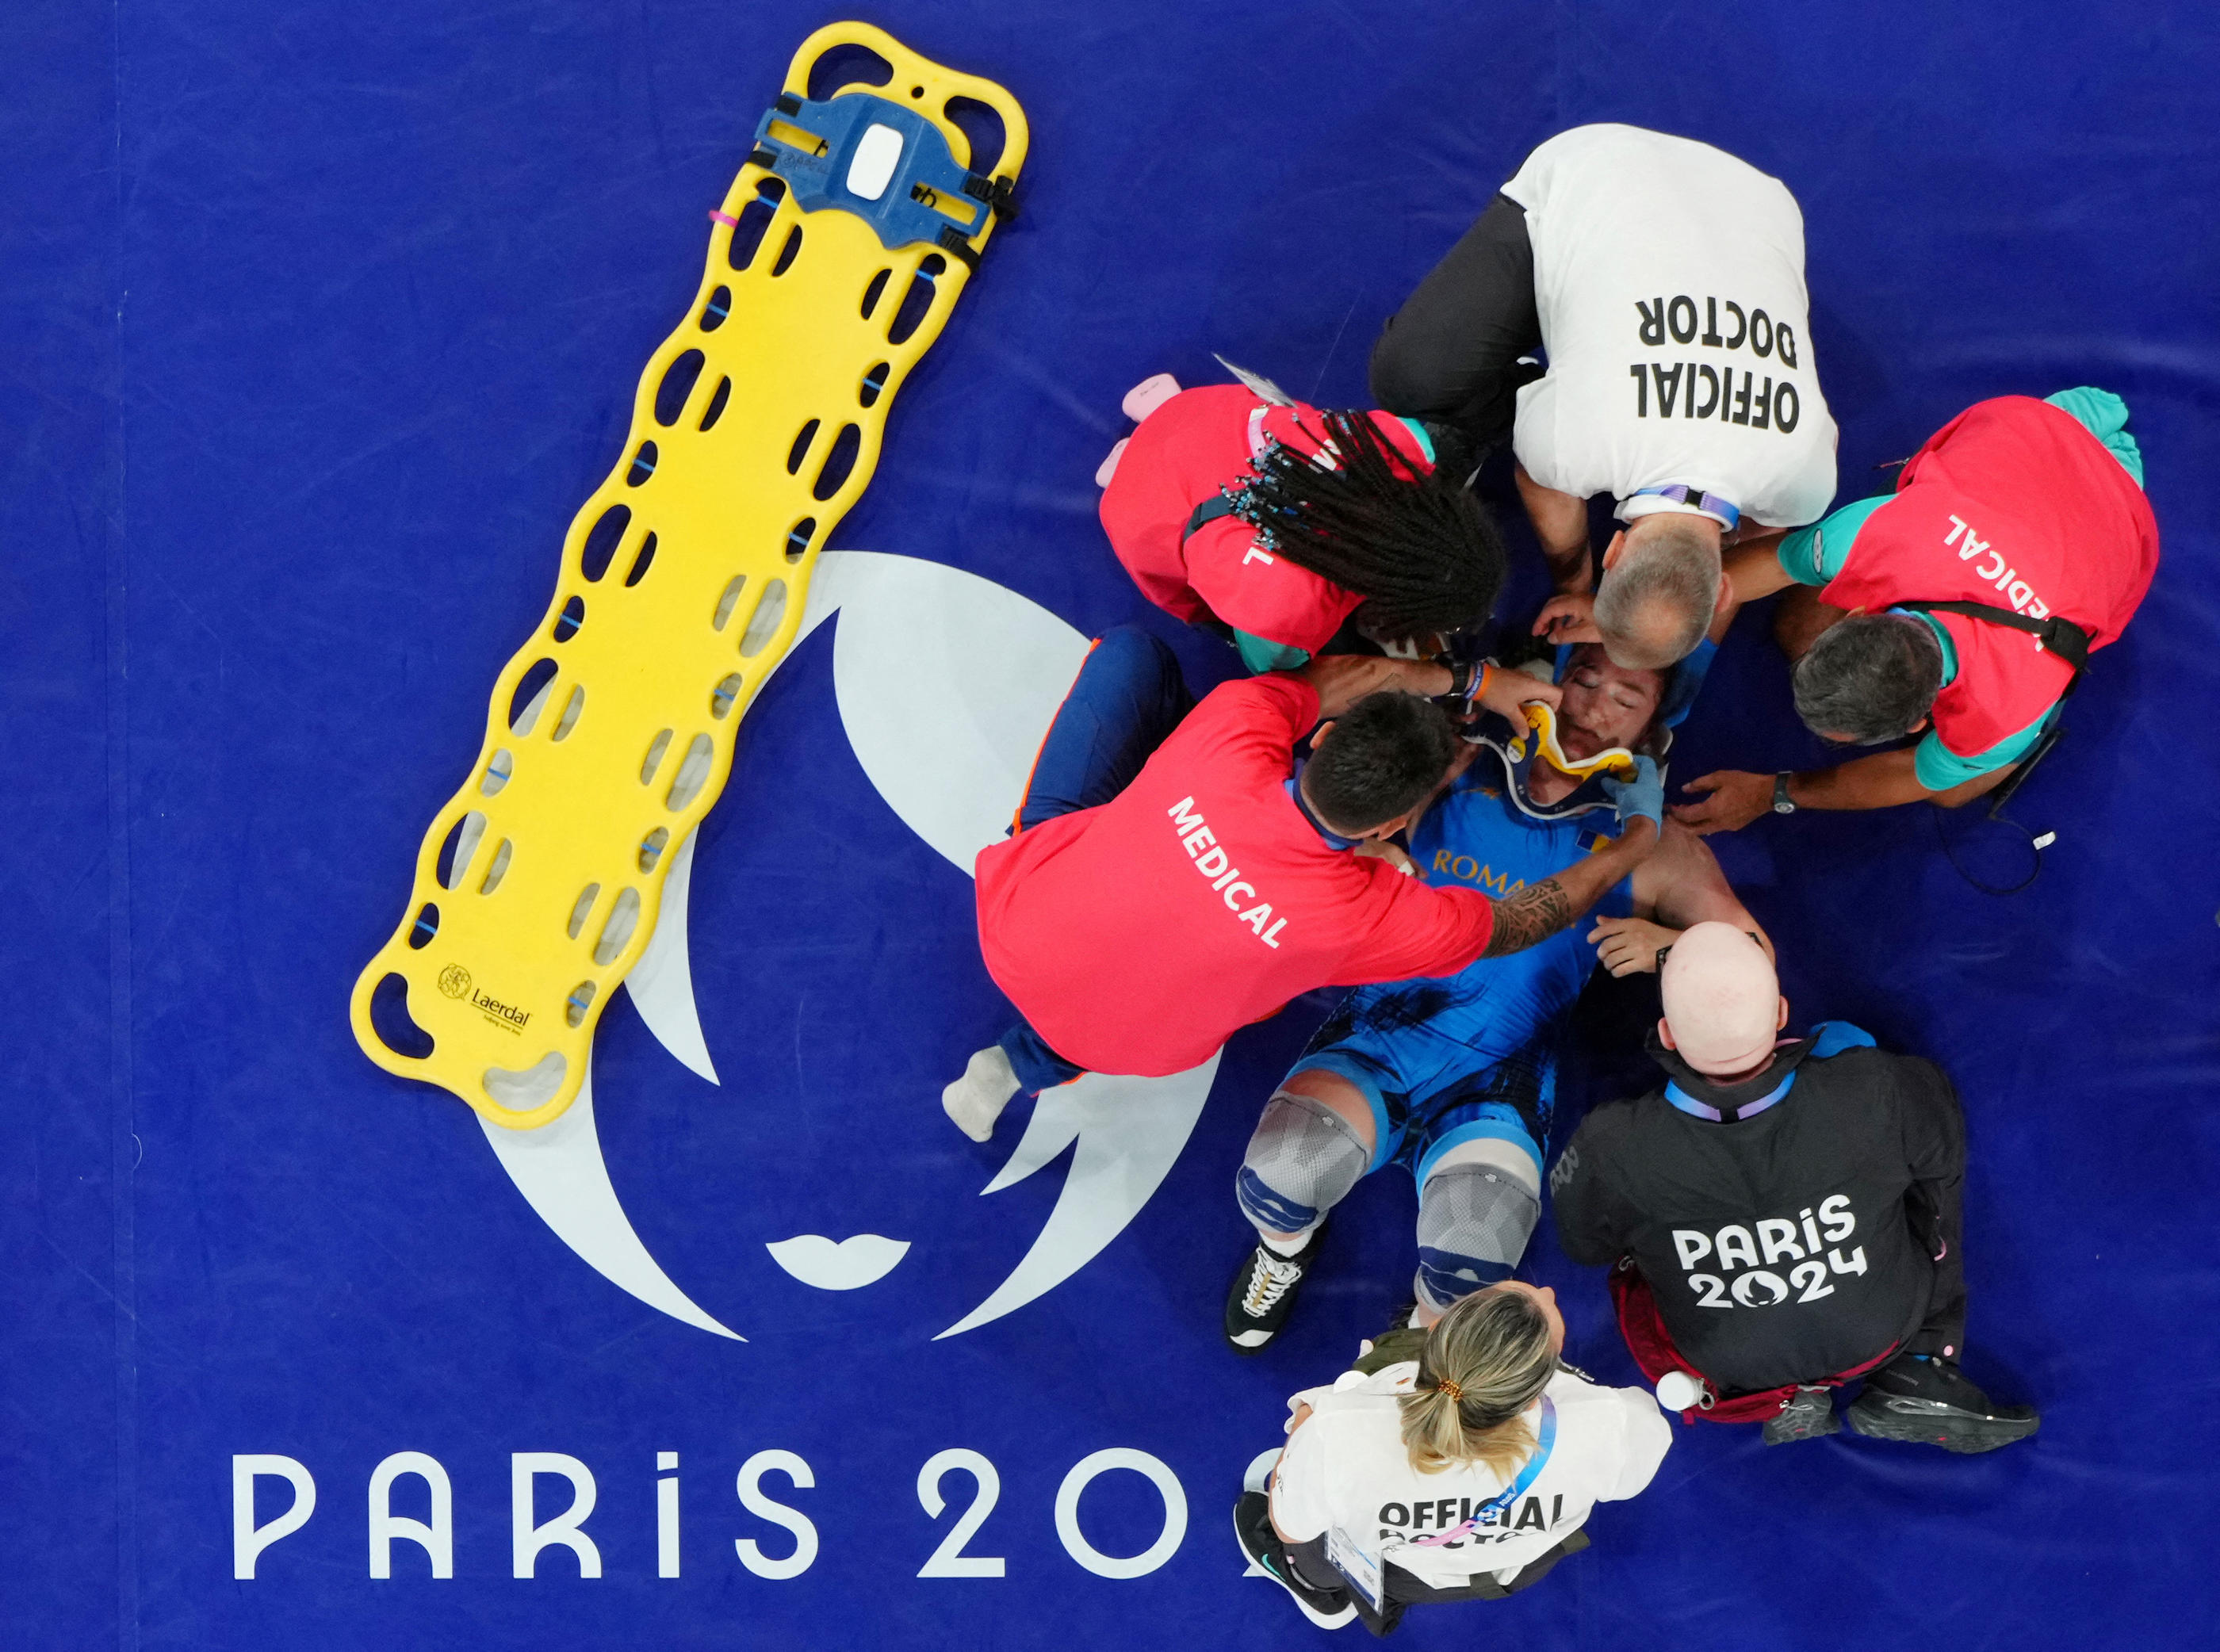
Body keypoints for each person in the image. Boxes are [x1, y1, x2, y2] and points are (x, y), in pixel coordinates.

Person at [1223, 642, 1765, 1352]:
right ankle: (1286, 1250)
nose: (1594, 706)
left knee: (1472, 1259)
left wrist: (1668, 947)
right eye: (1584, 679)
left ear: (1650, 734)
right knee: (1279, 1180)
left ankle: (1414, 1340)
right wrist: (1366, 855)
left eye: (1626, 700)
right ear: (1545, 686)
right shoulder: (1454, 763)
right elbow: (1326, 819)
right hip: (1379, 1041)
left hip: (1499, 1079)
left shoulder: (1655, 847)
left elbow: (1753, 955)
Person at [943, 627, 1663, 1141]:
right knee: (1164, 979)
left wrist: (1472, 680)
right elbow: (1525, 921)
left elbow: (1344, 681)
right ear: (1400, 821)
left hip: (1016, 924)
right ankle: (1017, 1066)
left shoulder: (1234, 726)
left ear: (1320, 738)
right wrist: (1638, 838)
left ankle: (1029, 1041)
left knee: (1133, 656)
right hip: (1128, 1045)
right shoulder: (1370, 915)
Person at [1551, 922, 2040, 1451]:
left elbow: (1585, 1247)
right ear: (1782, 1015)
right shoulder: (1873, 1088)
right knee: (1926, 1165)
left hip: (1725, 1367)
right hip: (1881, 1332)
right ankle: (1923, 1362)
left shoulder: (1608, 1141)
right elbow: (1941, 1143)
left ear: (1666, 1035)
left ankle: (1791, 1395)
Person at [1368, 123, 1839, 669]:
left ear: (1726, 591)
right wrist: (1576, 581)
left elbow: (1772, 518)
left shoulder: (1806, 486)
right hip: (1592, 167)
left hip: (1764, 202)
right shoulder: (1577, 448)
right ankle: (1530, 387)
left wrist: (1718, 553)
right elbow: (1542, 482)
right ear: (1614, 551)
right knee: (1410, 382)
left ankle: (1547, 392)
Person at [1671, 388, 2160, 832]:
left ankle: (2013, 755)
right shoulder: (1874, 537)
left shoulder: (2006, 716)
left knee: (1952, 791)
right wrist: (1652, 619)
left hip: (2117, 494)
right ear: (1858, 616)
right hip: (2045, 428)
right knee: (1798, 623)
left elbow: (1912, 777)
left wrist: (1771, 794)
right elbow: (1766, 566)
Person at [1234, 1282, 1670, 1635]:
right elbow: (1629, 1478)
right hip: (1519, 1566)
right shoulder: (1612, 1419)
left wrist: (1303, 1440)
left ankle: (1317, 1589)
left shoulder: (1339, 1427)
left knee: (1308, 1538)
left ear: (1433, 1331)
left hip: (1398, 1570)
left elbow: (1290, 1525)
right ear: (1540, 1382)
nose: (1550, 1291)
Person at [1097, 377, 1506, 671]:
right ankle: (1126, 467)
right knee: (1297, 665)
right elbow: (1265, 661)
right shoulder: (1290, 610)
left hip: (1200, 412)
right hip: (1136, 511)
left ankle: (1157, 418)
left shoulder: (1400, 445)